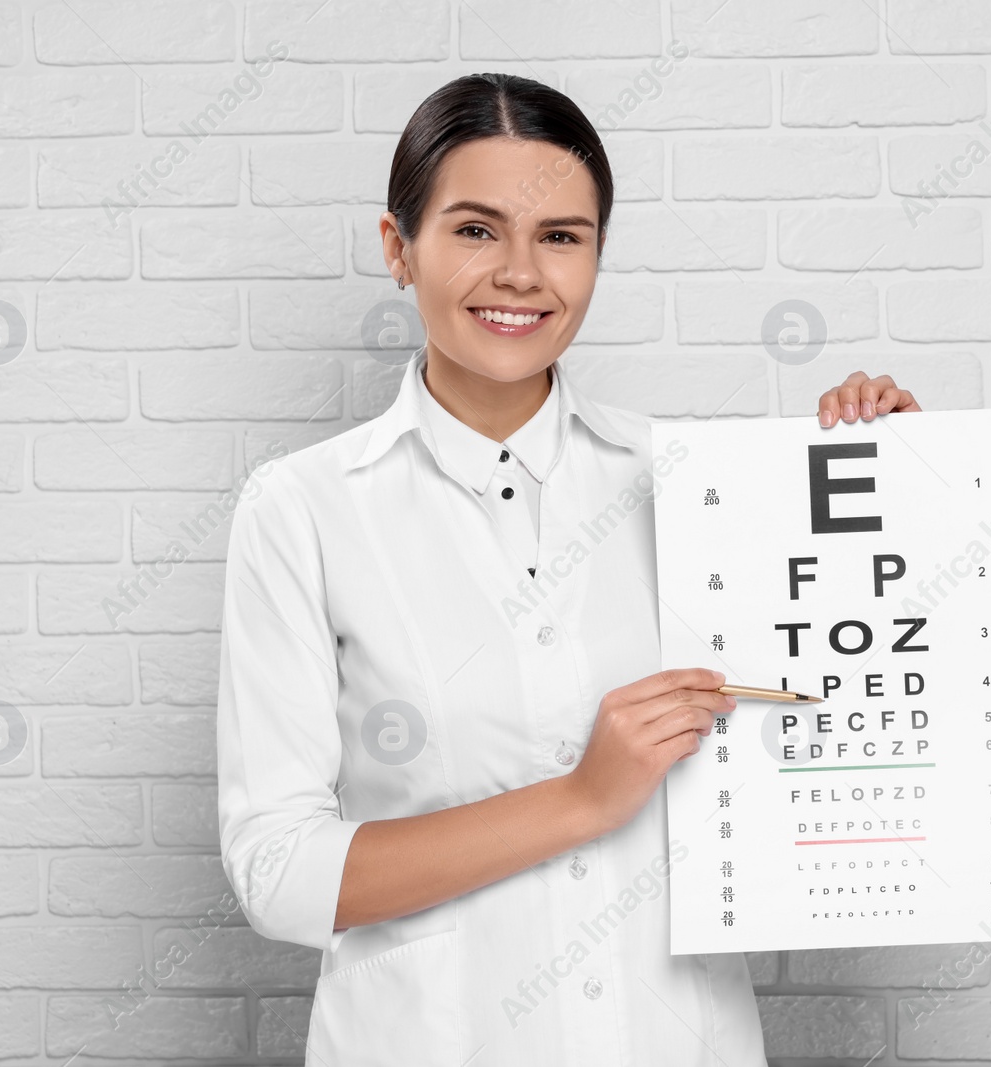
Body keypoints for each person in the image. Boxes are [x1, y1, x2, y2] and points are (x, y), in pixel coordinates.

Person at [215, 72, 922, 1067]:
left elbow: (824, 718)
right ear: (396, 248)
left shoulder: (695, 486)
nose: (519, 272)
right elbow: (278, 872)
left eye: (560, 235)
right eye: (473, 229)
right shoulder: (303, 509)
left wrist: (893, 495)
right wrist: (582, 798)